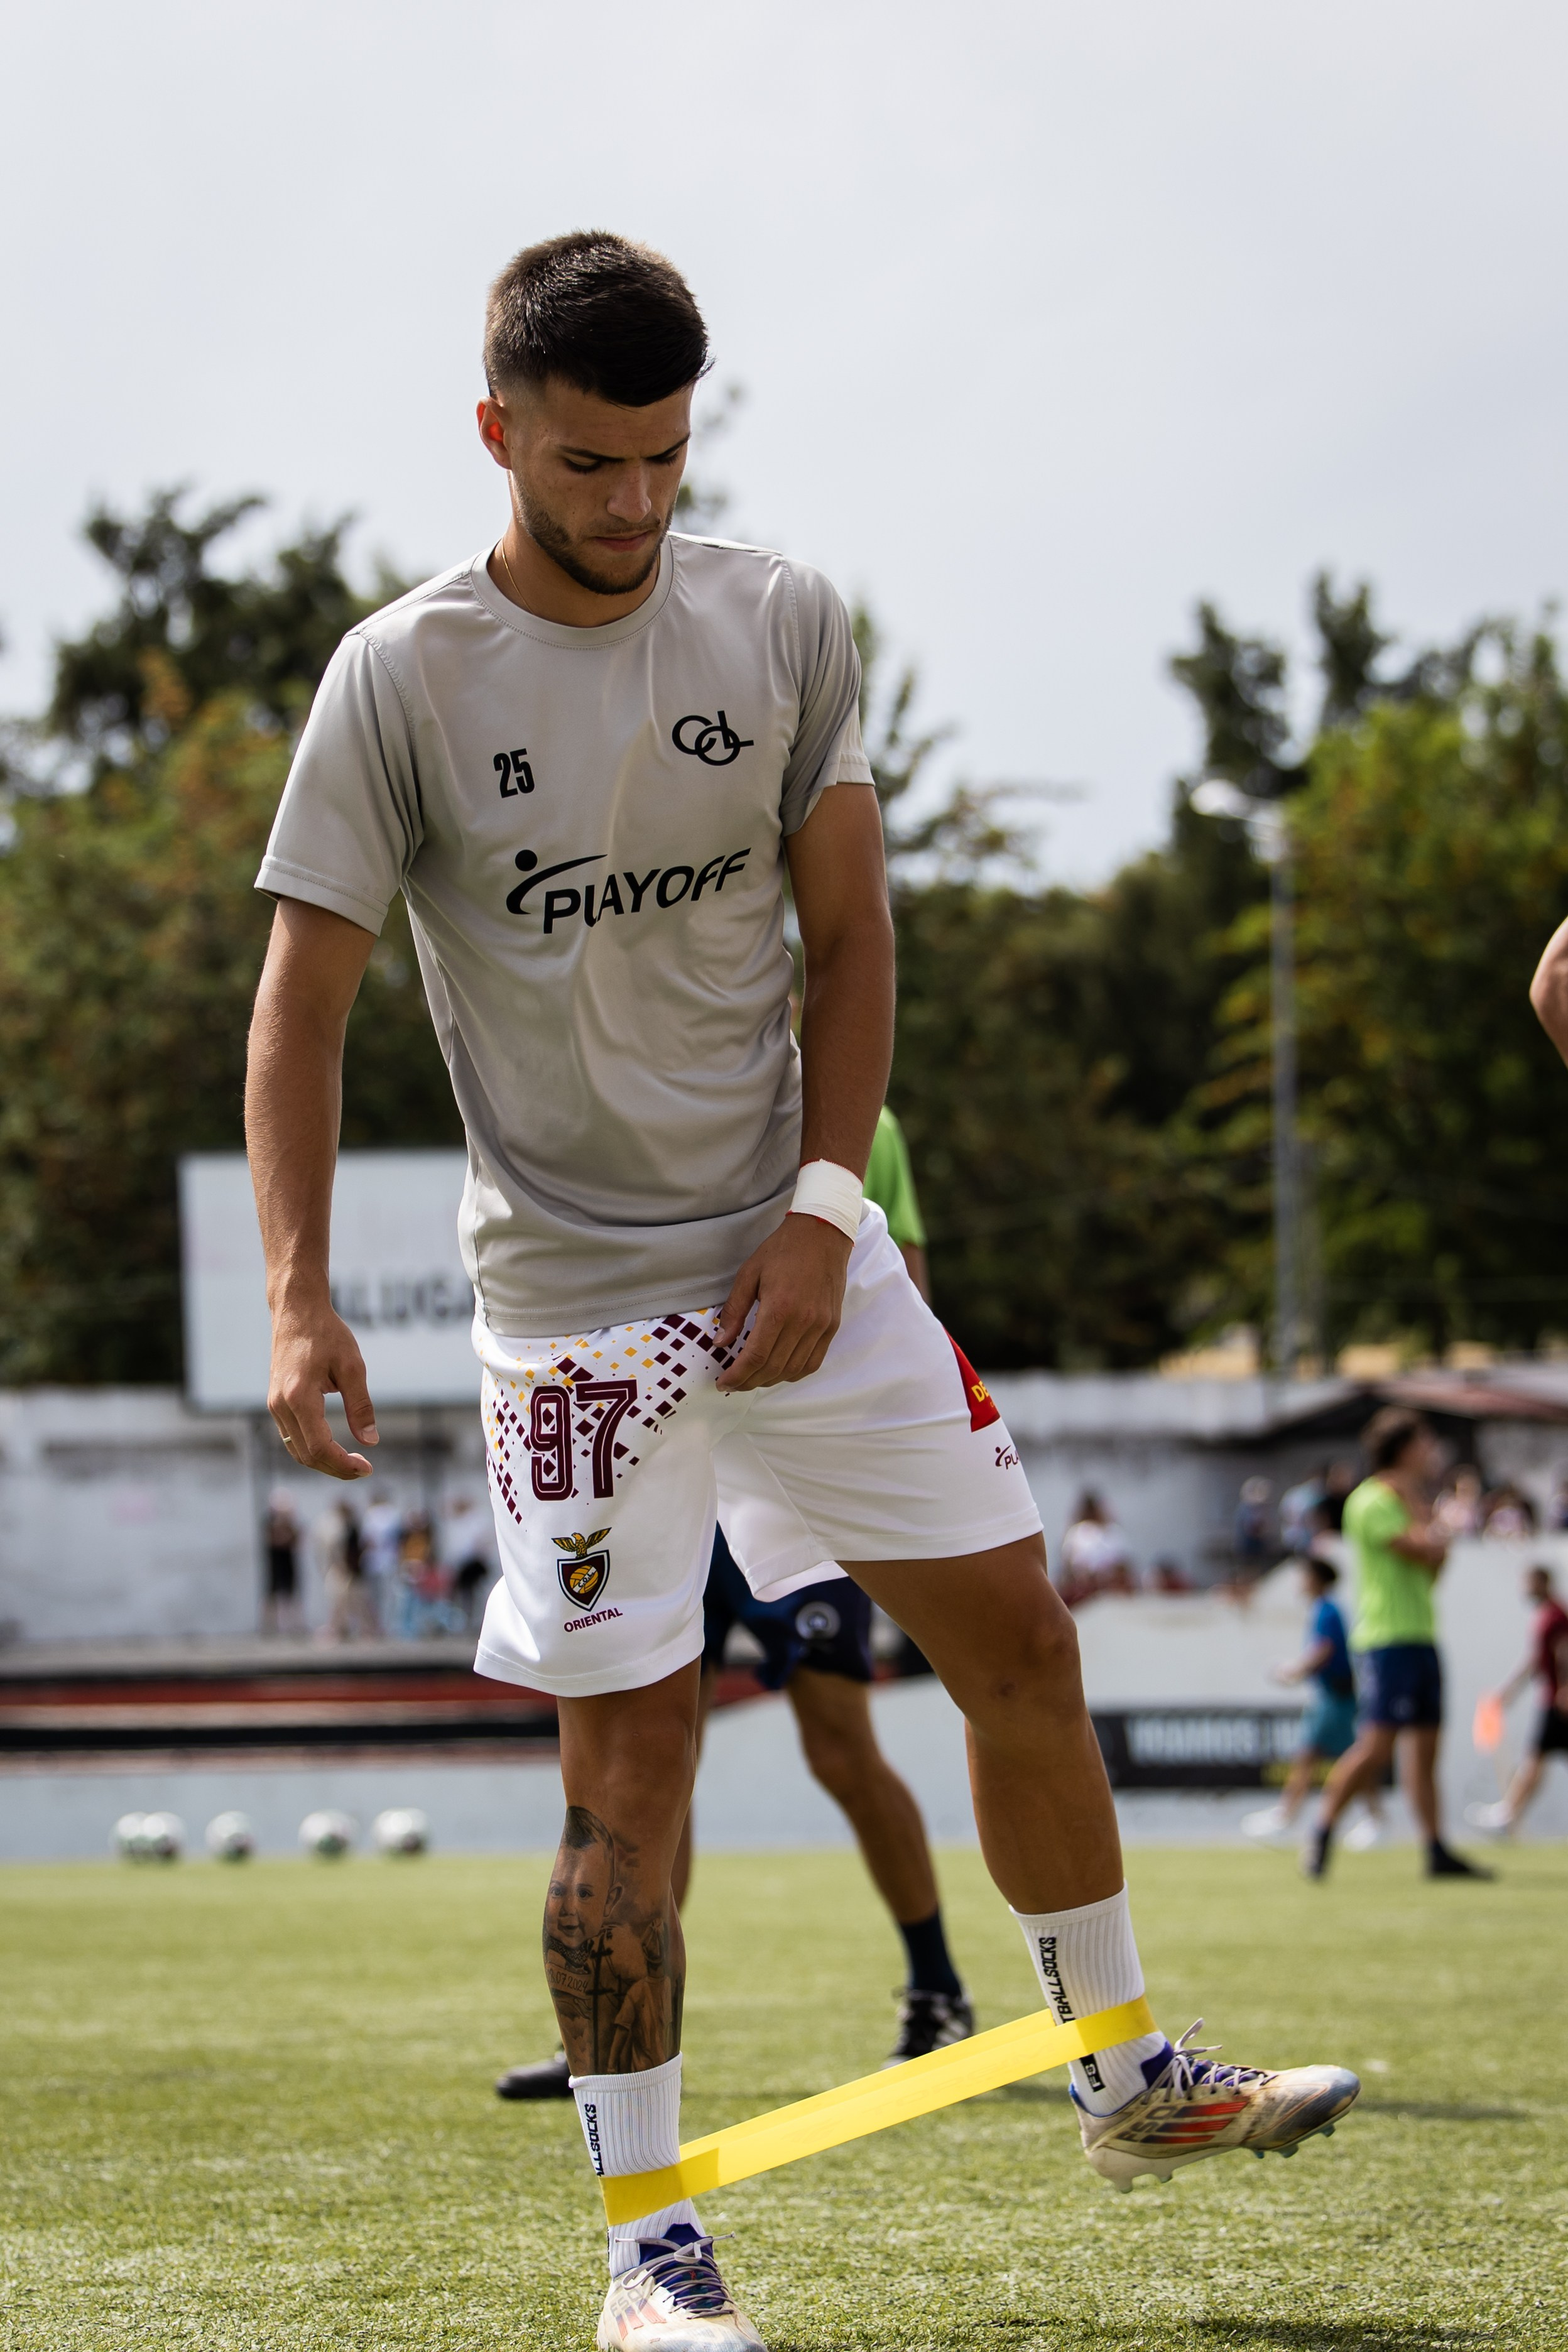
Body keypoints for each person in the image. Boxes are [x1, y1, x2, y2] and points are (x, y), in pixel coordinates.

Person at [245, 231, 1358, 2352]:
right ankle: (649, 2262)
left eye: (664, 456)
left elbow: (851, 943)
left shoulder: (781, 622)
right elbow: (298, 1006)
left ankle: (1119, 2069)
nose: (634, 503)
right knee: (627, 1778)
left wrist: (827, 1205)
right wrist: (300, 1293)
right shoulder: (399, 677)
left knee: (1021, 1636)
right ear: (496, 432)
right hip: (574, 1318)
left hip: (805, 1261)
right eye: (588, 462)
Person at [497, 1114, 972, 2103]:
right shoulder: (646, 1078)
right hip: (657, 1463)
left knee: (840, 1746)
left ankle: (937, 1987)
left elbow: (904, 1291)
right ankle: (623, 2029)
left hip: (790, 1460)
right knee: (650, 1765)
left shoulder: (863, 1114)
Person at [1302, 1407, 1490, 1881]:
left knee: (1425, 1752)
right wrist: (1434, 1528)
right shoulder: (1372, 1500)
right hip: (1386, 1639)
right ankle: (1322, 1830)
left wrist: (1433, 1530)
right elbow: (1419, 1549)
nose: (1431, 1451)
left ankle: (1434, 1849)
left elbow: (1434, 1564)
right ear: (1404, 1448)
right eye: (1424, 1442)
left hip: (1420, 1634)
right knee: (1376, 1747)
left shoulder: (1414, 1501)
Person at [1242, 1560, 1383, 1849]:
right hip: (1335, 1696)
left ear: (1317, 1579)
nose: (1300, 1583)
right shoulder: (1326, 1609)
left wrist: (1294, 1670)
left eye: (1304, 1577)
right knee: (1353, 1758)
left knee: (1310, 1755)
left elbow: (1325, 1649)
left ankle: (1286, 1818)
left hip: (1335, 1696)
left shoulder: (1326, 1609)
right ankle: (1376, 1818)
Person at [1465, 1564, 1568, 1836]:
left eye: (1530, 1583)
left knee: (1534, 1759)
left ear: (1543, 1583)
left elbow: (1563, 1653)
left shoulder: (1555, 1616)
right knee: (1534, 1759)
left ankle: (1508, 1814)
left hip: (1558, 1702)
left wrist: (1566, 1687)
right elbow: (1536, 1661)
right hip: (1555, 1699)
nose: (1526, 1589)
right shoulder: (1547, 1615)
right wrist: (1509, 1691)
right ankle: (1509, 1814)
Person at [262, 1489, 303, 1634]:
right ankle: (271, 1627)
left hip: (288, 1564)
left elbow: (296, 1539)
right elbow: (277, 1541)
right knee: (273, 1595)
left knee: (290, 1595)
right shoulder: (271, 1523)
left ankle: (293, 1626)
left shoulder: (290, 1525)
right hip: (275, 1565)